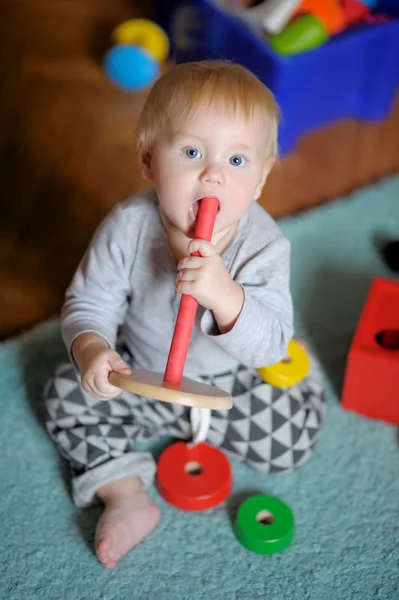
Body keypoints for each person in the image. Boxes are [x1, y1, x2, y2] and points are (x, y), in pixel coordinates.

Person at [43, 60, 325, 569]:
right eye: (192, 152)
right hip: (143, 371)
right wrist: (93, 347)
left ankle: (257, 408)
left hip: (230, 382)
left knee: (295, 440)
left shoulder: (263, 246)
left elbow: (269, 346)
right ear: (150, 162)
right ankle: (124, 494)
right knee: (66, 392)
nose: (213, 172)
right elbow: (89, 302)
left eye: (238, 161)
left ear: (260, 180)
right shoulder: (129, 225)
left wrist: (226, 295)